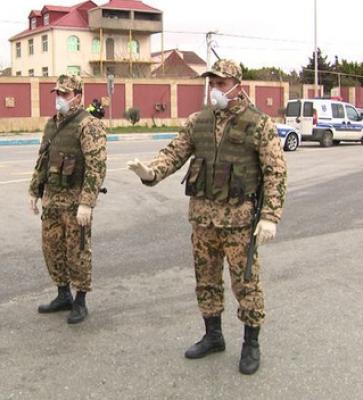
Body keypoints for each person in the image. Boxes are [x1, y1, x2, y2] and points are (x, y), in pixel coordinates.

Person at [127, 59, 287, 374]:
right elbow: (174, 153)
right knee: (206, 282)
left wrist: (270, 216)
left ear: (238, 86)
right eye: (211, 84)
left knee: (246, 285)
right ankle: (213, 335)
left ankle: (250, 343)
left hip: (240, 224)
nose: (214, 89)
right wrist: (150, 172)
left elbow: (275, 172)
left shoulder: (258, 123)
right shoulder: (197, 121)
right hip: (202, 222)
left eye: (221, 84)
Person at [28, 75, 108, 324]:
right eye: (57, 94)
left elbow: (96, 167)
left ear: (78, 95)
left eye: (65, 94)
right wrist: (34, 190)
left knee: (78, 252)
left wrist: (87, 202)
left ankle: (80, 300)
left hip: (75, 203)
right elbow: (43, 159)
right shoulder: (52, 124)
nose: (60, 99)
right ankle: (63, 294)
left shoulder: (88, 125)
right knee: (52, 249)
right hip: (52, 201)